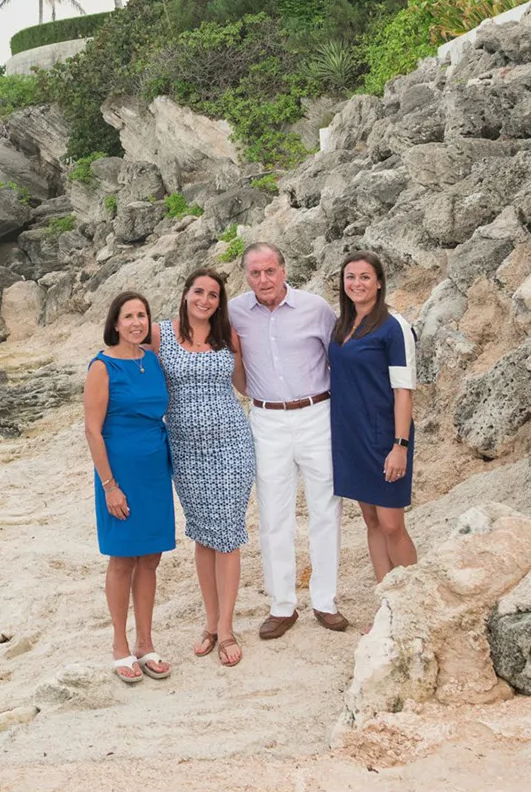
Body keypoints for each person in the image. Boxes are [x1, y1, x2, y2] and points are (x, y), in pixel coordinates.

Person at [225, 241, 346, 638]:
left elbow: (340, 359)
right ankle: (282, 606)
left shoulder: (316, 308)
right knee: (274, 515)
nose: (264, 279)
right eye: (255, 273)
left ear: (284, 270)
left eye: (270, 271)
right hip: (267, 420)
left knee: (325, 509)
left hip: (317, 413)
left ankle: (325, 602)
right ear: (246, 276)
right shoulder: (235, 312)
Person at [161, 267, 256, 667]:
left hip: (231, 445)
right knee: (202, 534)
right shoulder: (160, 335)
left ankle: (227, 629)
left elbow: (246, 384)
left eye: (213, 295)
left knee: (228, 535)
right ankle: (211, 623)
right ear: (186, 293)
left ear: (220, 302)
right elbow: (132, 370)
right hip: (185, 451)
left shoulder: (227, 336)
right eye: (198, 291)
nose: (205, 300)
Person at [83, 289, 177, 684]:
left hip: (155, 470)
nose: (137, 323)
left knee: (151, 558)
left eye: (142, 316)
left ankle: (145, 643)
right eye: (129, 316)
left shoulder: (152, 359)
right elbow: (92, 430)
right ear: (116, 324)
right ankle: (120, 645)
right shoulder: (102, 367)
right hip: (119, 473)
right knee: (123, 558)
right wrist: (109, 485)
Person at [329, 250, 418, 580]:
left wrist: (399, 446)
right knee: (372, 521)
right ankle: (385, 597)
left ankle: (414, 598)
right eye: (350, 277)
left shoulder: (394, 327)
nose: (357, 283)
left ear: (379, 282)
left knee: (392, 524)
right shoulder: (342, 324)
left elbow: (404, 391)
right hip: (350, 437)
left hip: (384, 436)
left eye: (365, 277)